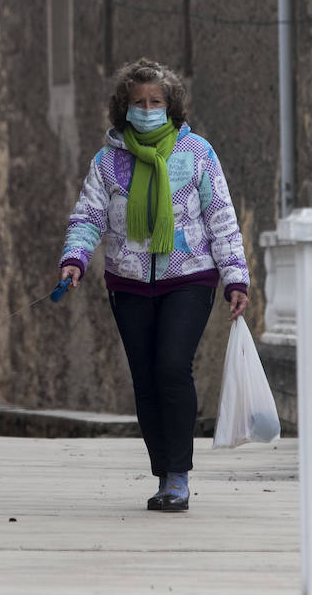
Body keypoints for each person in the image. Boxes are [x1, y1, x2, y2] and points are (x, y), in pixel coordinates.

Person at [57, 58, 249, 513]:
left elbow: (221, 218)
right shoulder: (108, 162)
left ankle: (180, 475)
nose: (147, 108)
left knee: (170, 368)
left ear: (171, 106)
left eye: (155, 101)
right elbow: (88, 216)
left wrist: (235, 276)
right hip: (129, 284)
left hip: (190, 278)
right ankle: (163, 473)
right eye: (139, 102)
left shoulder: (198, 153)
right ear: (124, 108)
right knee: (145, 379)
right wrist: (75, 259)